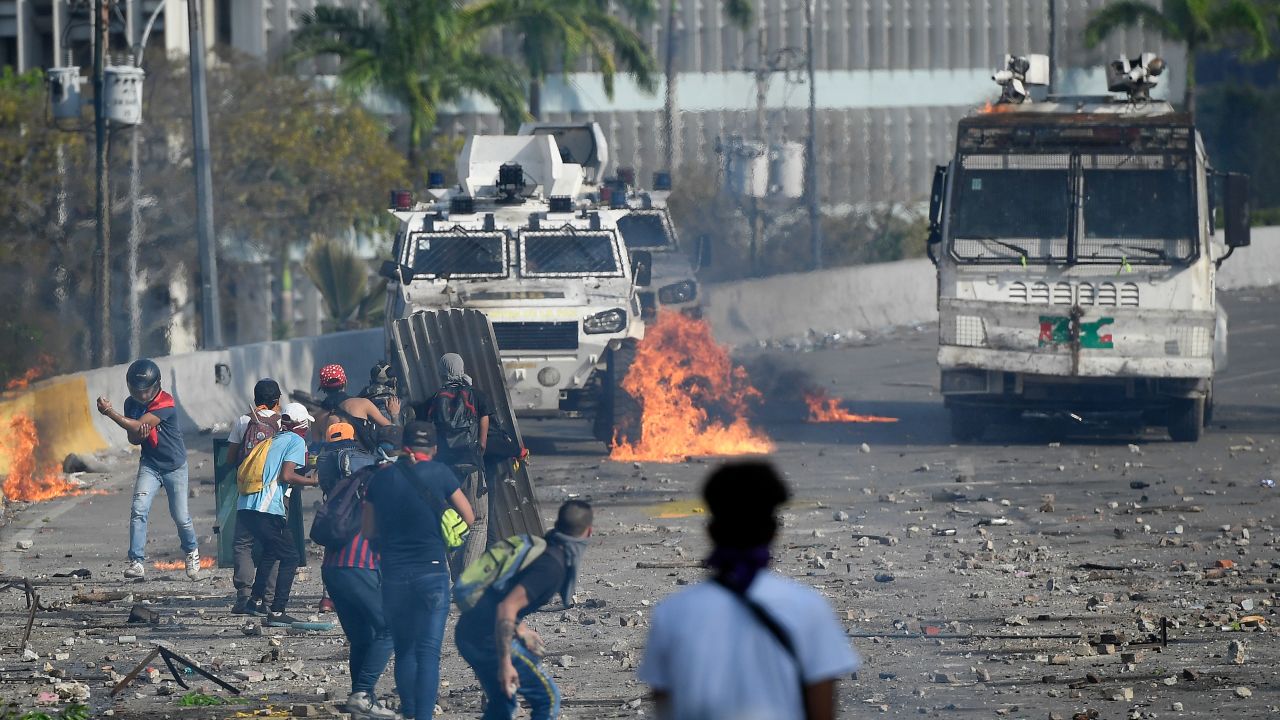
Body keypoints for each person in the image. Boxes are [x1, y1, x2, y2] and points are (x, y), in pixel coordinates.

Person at [637, 461, 860, 720]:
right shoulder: (808, 608)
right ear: (774, 531)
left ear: (710, 530)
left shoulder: (672, 613)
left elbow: (665, 707)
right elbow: (822, 711)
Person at [362, 421, 474, 720]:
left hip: (395, 574)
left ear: (403, 446)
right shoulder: (441, 473)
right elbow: (469, 516)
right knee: (428, 652)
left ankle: (410, 712)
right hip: (433, 573)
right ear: (434, 448)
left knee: (404, 649)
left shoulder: (380, 480)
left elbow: (368, 530)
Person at [454, 500, 593, 720]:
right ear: (588, 532)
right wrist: (505, 664)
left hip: (469, 631)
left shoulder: (543, 549)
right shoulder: (551, 567)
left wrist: (521, 629)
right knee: (547, 699)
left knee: (502, 706)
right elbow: (506, 606)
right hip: (485, 638)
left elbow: (502, 594)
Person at [317, 422, 396, 720]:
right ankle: (362, 694)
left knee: (363, 637)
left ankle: (360, 705)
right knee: (389, 628)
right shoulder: (389, 481)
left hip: (332, 568)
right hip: (359, 566)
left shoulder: (358, 476)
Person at [95, 358, 201, 581]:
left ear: (157, 386)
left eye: (147, 391)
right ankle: (136, 561)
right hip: (150, 464)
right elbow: (133, 437)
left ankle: (191, 551)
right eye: (137, 390)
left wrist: (110, 413)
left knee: (181, 516)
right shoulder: (131, 404)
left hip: (174, 466)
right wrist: (137, 435)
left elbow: (134, 424)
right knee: (138, 509)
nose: (142, 396)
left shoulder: (166, 402)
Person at [238, 403, 318, 626]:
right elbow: (286, 475)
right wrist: (313, 480)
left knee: (272, 550)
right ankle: (277, 611)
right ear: (302, 425)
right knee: (291, 557)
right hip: (266, 509)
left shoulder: (273, 439)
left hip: (246, 507)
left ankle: (254, 601)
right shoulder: (296, 440)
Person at [226, 378, 284, 613]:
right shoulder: (283, 421)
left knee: (242, 544)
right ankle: (267, 600)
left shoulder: (243, 421)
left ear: (255, 399)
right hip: (275, 496)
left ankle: (244, 597)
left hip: (247, 494)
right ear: (277, 401)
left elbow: (230, 458)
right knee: (273, 546)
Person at [423, 353, 492, 480]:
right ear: (462, 368)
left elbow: (428, 426)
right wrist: (482, 444)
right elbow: (484, 416)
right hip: (471, 460)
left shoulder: (436, 398)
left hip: (445, 462)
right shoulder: (476, 395)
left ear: (441, 372)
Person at [317, 364, 399, 452]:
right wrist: (394, 415)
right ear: (345, 382)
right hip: (361, 461)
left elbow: (316, 449)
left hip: (332, 461)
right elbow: (393, 432)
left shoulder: (317, 416)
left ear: (323, 388)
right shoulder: (363, 404)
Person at [360, 361, 402, 426]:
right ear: (393, 382)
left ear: (371, 382)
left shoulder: (358, 404)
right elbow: (395, 434)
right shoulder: (391, 406)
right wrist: (395, 416)